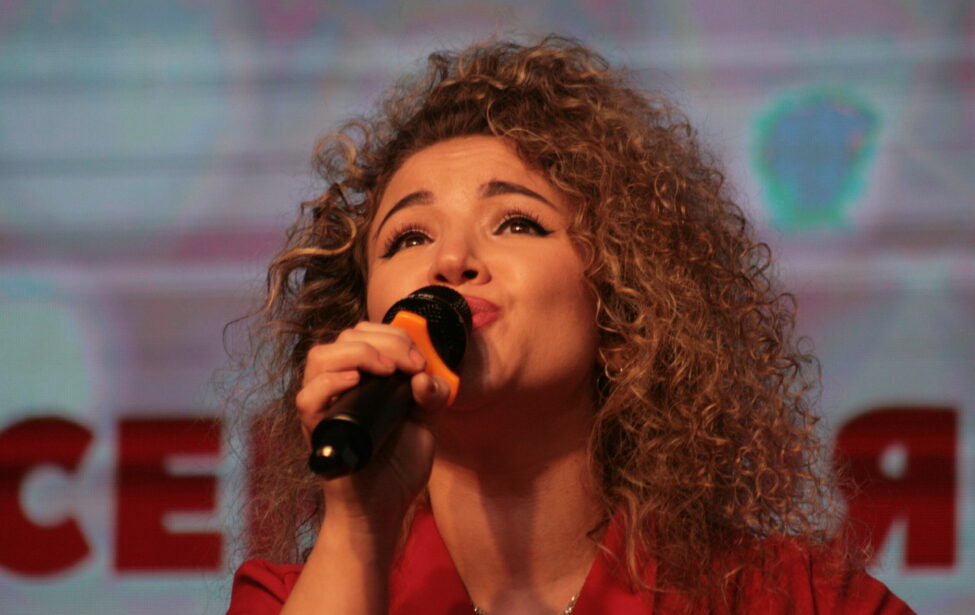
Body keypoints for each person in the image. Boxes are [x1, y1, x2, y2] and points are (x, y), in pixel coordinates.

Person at [226, 36, 913, 614]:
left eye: (517, 223)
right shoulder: (288, 599)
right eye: (409, 237)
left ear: (625, 310)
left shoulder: (796, 599)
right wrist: (357, 531)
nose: (451, 259)